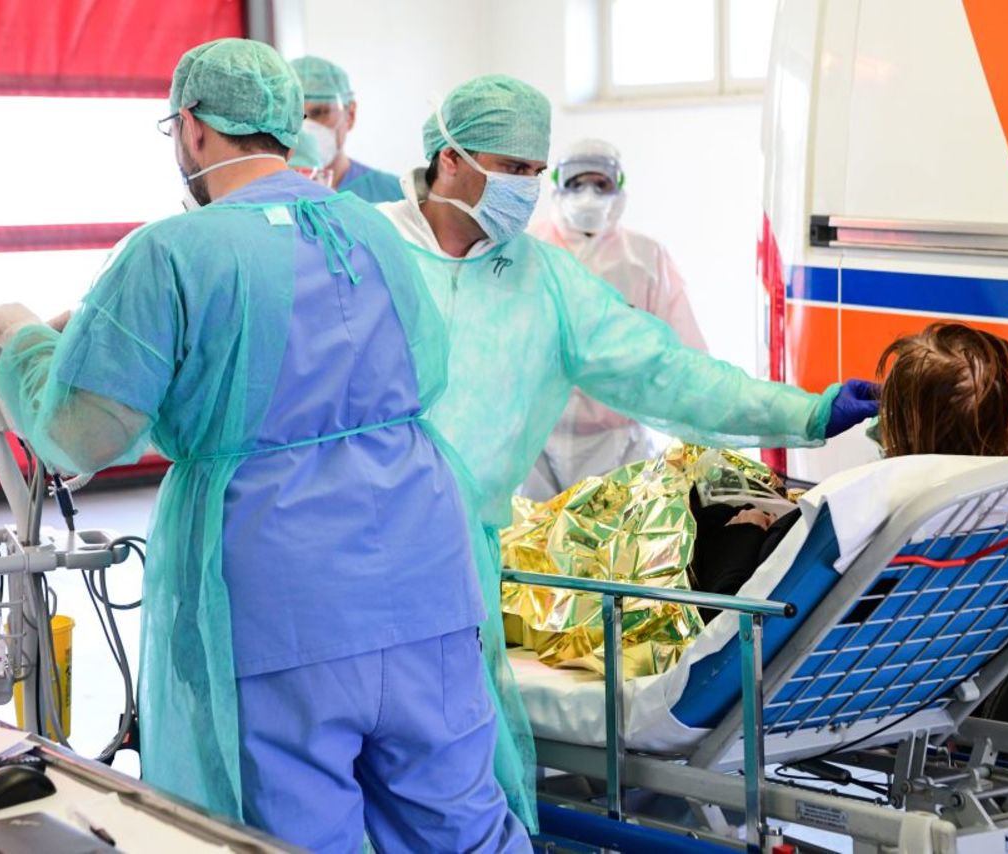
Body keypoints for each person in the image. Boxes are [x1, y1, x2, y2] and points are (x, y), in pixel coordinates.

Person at [0, 39, 527, 854]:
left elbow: (81, 430)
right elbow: (419, 368)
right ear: (286, 124)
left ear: (190, 129)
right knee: (459, 820)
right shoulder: (371, 228)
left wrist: (17, 337)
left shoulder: (171, 252)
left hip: (279, 598)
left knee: (292, 835)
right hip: (423, 578)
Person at [375, 74, 881, 819]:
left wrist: (803, 412)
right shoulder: (366, 248)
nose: (529, 187)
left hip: (462, 556)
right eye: (512, 169)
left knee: (451, 764)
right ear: (450, 159)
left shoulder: (541, 278)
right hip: (353, 550)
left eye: (532, 172)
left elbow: (666, 371)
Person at [691, 323, 1008, 601]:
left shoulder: (849, 519)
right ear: (1007, 425)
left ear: (895, 426)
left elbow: (732, 621)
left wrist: (741, 536)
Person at [523, 138, 709, 499]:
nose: (589, 194)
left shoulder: (644, 257)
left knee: (614, 548)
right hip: (535, 444)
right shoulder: (528, 249)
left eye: (601, 184)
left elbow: (686, 354)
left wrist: (699, 440)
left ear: (619, 188)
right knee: (532, 549)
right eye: (577, 183)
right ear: (558, 186)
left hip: (619, 444)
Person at [287, 55, 404, 203]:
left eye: (319, 113)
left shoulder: (393, 195)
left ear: (350, 114)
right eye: (294, 115)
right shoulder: (264, 196)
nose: (305, 128)